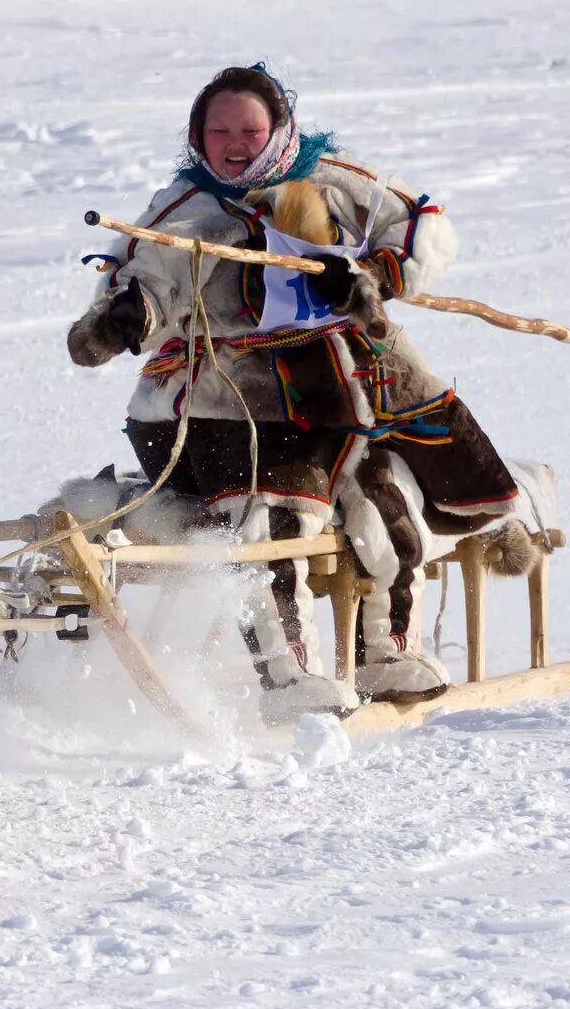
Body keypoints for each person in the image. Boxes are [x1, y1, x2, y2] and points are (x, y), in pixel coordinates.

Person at [67, 64, 519, 720]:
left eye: (248, 128)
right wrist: (128, 314)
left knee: (382, 504)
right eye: (217, 129)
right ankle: (285, 677)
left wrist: (372, 273)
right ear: (198, 136)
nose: (234, 142)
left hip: (342, 393)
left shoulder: (335, 178)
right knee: (273, 514)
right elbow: (137, 279)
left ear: (279, 127)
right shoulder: (179, 212)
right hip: (222, 402)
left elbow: (423, 224)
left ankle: (386, 653)